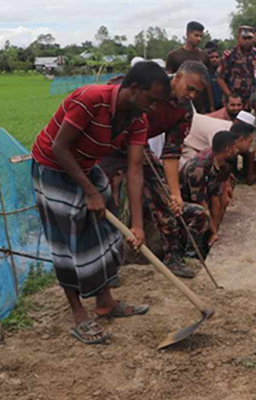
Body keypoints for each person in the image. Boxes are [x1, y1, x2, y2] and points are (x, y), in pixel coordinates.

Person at [30, 62, 169, 344]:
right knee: (69, 238)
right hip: (52, 166)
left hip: (85, 164)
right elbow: (59, 147)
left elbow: (134, 169)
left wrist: (138, 226)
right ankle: (79, 313)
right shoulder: (91, 100)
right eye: (151, 99)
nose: (153, 108)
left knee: (108, 230)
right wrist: (90, 192)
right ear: (133, 89)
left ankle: (105, 302)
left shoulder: (137, 119)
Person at [100, 61, 212, 278]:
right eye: (190, 88)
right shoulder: (148, 85)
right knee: (108, 201)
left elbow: (171, 152)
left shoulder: (184, 111)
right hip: (110, 147)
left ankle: (173, 257)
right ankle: (109, 265)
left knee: (164, 197)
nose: (191, 95)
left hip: (141, 148)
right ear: (177, 77)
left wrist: (175, 193)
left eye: (197, 92)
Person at [180, 131, 239, 247]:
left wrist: (215, 231)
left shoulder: (222, 163)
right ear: (228, 150)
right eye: (235, 147)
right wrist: (212, 231)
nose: (238, 150)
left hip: (201, 198)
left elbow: (216, 197)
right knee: (201, 214)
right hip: (183, 203)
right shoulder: (199, 168)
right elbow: (201, 203)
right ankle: (191, 252)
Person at [166, 21, 213, 114]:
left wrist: (211, 105)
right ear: (187, 34)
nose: (199, 39)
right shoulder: (174, 55)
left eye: (201, 36)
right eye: (196, 35)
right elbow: (169, 79)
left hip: (200, 104)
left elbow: (208, 83)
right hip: (179, 104)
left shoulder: (204, 56)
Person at [217, 25, 256, 108]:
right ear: (238, 39)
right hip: (234, 104)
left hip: (250, 102)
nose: (247, 41)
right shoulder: (230, 56)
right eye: (244, 38)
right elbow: (219, 78)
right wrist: (230, 96)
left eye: (250, 38)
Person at [204, 42, 224, 111]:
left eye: (216, 57)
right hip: (208, 108)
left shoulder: (224, 73)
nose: (214, 59)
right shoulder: (205, 74)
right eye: (211, 57)